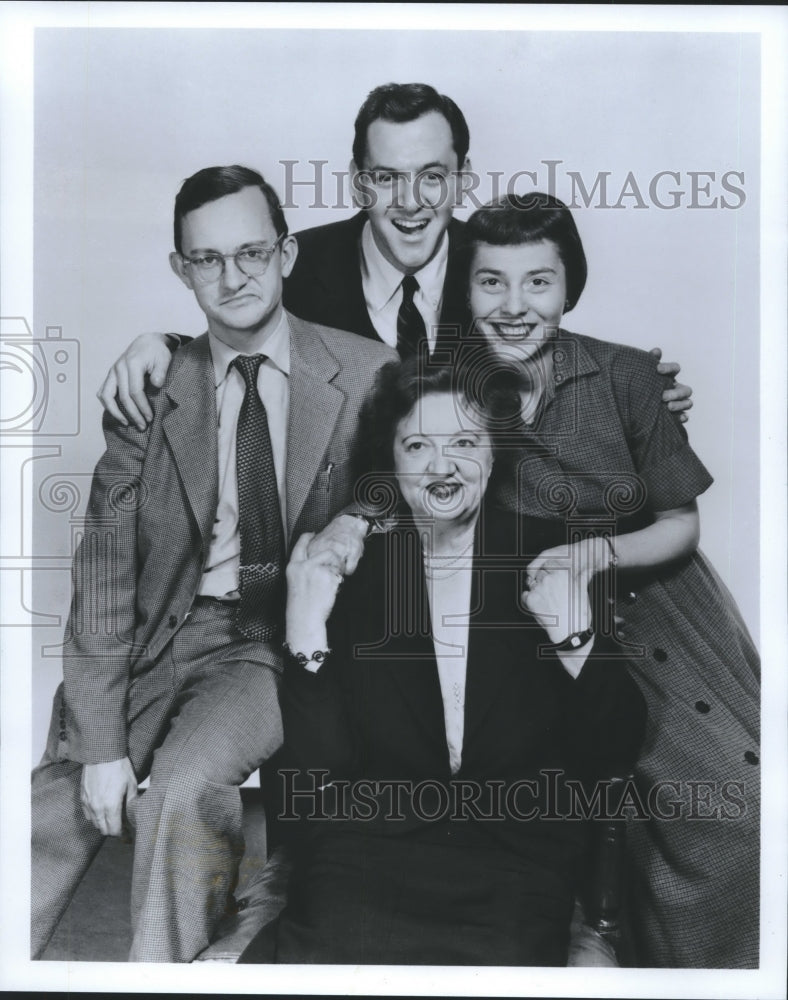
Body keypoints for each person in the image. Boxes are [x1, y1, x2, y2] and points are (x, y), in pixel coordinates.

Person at [31, 165, 395, 963]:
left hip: (265, 646)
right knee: (51, 807)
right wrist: (98, 748)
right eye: (207, 259)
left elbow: (402, 485)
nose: (233, 277)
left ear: (288, 253)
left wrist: (353, 525)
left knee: (186, 790)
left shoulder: (367, 374)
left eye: (252, 253)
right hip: (163, 634)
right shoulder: (151, 393)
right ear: (180, 268)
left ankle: (163, 977)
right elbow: (103, 575)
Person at [238, 358, 646, 966]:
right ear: (392, 461)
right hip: (368, 847)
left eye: (464, 442)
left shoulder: (546, 556)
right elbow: (323, 768)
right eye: (418, 444)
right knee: (324, 953)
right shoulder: (353, 572)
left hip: (513, 852)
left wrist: (572, 635)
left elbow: (612, 747)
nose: (442, 464)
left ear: (493, 452)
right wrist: (304, 620)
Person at [456, 192, 760, 968]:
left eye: (538, 282)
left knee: (731, 803)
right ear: (467, 288)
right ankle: (586, 936)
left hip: (654, 607)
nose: (515, 306)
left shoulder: (625, 376)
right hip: (523, 619)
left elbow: (680, 521)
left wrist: (600, 555)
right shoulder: (447, 388)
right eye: (492, 282)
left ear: (570, 287)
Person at [94, 82, 692, 430]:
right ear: (358, 182)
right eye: (386, 178)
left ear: (462, 181)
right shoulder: (300, 262)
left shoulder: (494, 261)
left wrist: (631, 395)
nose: (410, 203)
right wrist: (164, 344)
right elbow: (239, 315)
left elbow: (538, 343)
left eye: (432, 176)